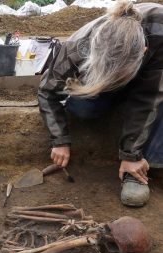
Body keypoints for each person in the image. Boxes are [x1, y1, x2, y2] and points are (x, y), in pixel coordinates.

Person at [38, 0, 163, 207]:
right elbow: (46, 91)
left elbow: (149, 97)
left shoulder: (159, 33)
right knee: (84, 107)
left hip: (155, 74)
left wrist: (131, 155)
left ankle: (144, 167)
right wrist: (59, 139)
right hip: (103, 85)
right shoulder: (77, 49)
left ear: (143, 51)